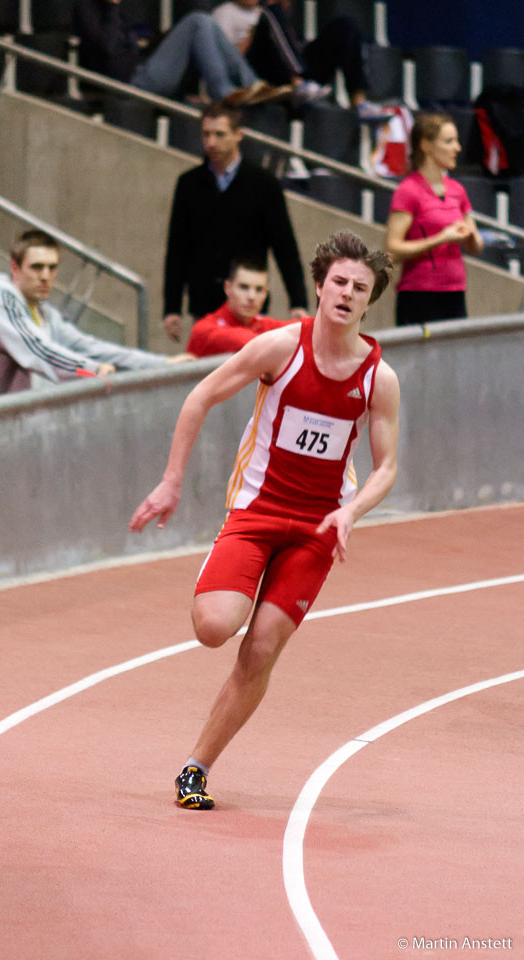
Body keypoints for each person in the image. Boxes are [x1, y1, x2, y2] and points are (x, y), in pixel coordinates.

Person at [130, 231, 400, 808]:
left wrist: (352, 510)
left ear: (370, 300)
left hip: (317, 530)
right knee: (213, 627)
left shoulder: (379, 378)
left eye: (361, 287)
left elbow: (386, 468)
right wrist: (171, 480)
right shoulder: (280, 348)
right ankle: (234, 576)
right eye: (339, 283)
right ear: (321, 286)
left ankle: (195, 769)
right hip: (257, 512)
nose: (347, 294)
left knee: (260, 650)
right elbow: (200, 396)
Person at [0, 229, 191, 401]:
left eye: (52, 268)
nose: (45, 276)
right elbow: (39, 351)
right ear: (15, 268)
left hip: (10, 431)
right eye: (37, 267)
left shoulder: (44, 314)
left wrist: (162, 364)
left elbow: (90, 347)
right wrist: (91, 369)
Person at [163, 101, 308, 342]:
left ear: (238, 135)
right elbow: (177, 249)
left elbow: (285, 246)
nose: (211, 142)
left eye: (220, 134)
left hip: (249, 302)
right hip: (204, 300)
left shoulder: (264, 184)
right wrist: (172, 308)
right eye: (206, 134)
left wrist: (298, 301)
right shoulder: (188, 184)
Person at [73, 0, 290, 106]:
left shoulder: (113, 12)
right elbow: (108, 49)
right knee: (197, 21)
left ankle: (251, 85)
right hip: (129, 82)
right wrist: (111, 7)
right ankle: (224, 90)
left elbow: (131, 48)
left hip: (140, 70)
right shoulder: (87, 7)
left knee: (204, 22)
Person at [212, 0, 392, 119]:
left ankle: (359, 103)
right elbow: (226, 64)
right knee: (271, 12)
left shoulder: (265, 11)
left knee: (344, 25)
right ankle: (299, 81)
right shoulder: (225, 12)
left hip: (288, 68)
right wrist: (253, 35)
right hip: (255, 78)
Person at [385, 112, 484, 327]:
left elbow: (476, 245)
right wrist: (440, 238)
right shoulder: (408, 190)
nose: (457, 148)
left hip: (455, 291)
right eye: (449, 141)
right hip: (419, 294)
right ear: (426, 145)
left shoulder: (458, 190)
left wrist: (471, 237)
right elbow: (392, 250)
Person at [186, 255, 291, 356]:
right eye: (244, 287)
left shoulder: (265, 324)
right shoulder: (204, 329)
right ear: (227, 288)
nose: (252, 297)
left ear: (266, 293)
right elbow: (244, 340)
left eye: (259, 289)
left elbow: (304, 329)